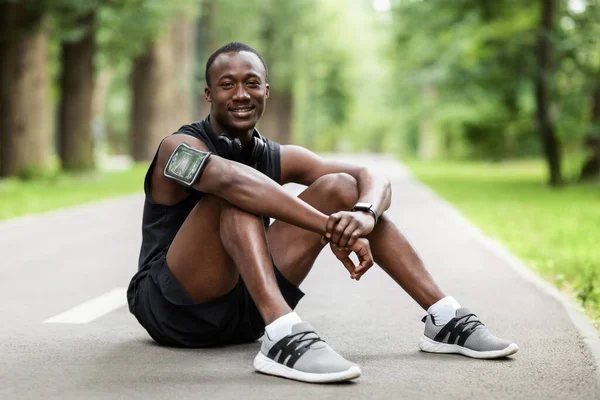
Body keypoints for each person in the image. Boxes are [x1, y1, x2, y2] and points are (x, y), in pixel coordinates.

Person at [126, 42, 518, 384]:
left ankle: (444, 318)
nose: (241, 94)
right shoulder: (175, 150)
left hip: (244, 312)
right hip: (173, 309)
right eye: (227, 84)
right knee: (233, 195)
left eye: (251, 83)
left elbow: (371, 176)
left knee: (343, 188)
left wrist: (363, 215)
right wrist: (332, 228)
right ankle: (282, 334)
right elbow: (231, 182)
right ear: (208, 94)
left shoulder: (275, 154)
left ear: (267, 91)